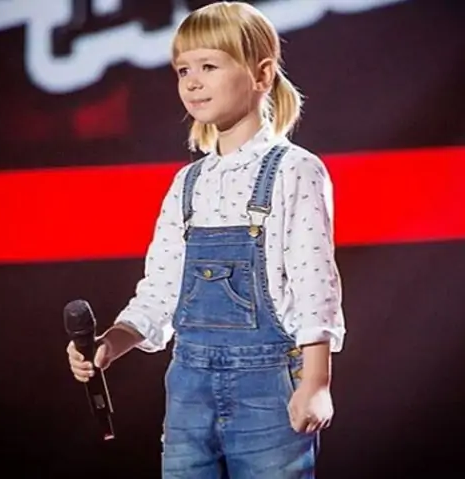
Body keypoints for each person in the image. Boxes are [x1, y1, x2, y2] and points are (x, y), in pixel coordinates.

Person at [67, 2, 346, 477]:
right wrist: (112, 342)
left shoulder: (295, 169)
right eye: (184, 70)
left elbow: (313, 282)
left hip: (268, 387)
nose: (193, 82)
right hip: (189, 389)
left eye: (209, 67)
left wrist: (316, 381)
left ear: (262, 74)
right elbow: (161, 290)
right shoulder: (188, 183)